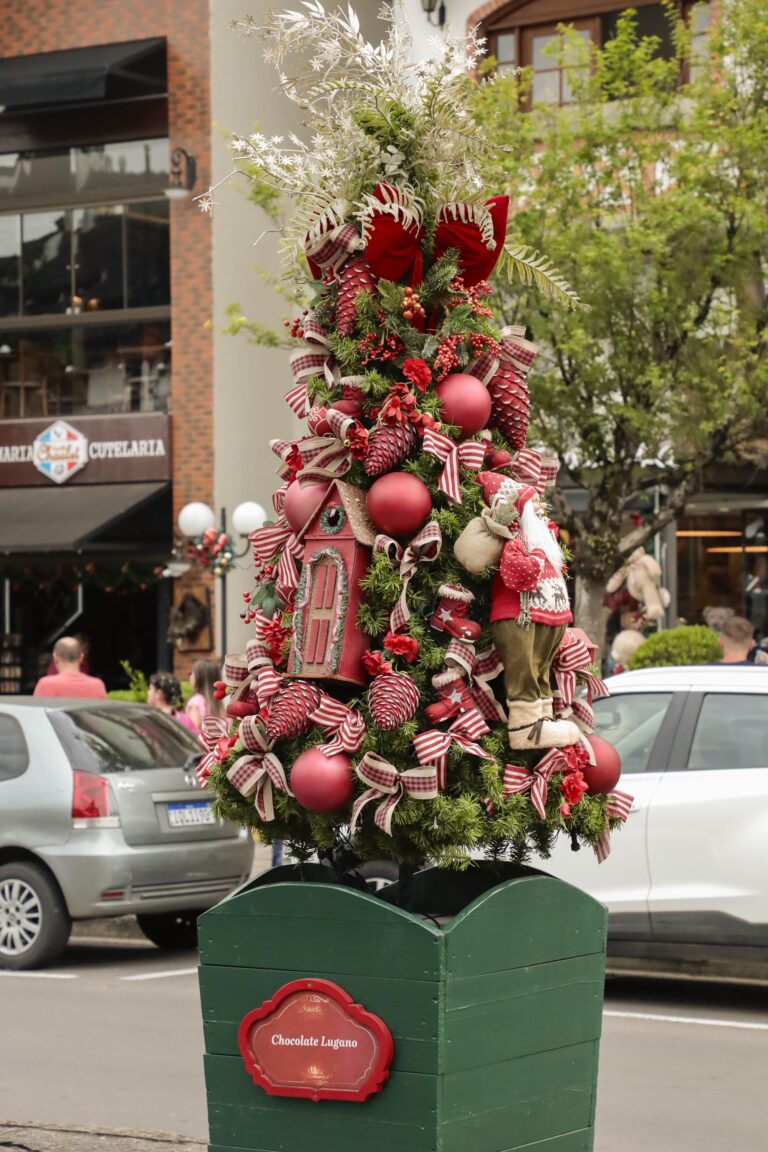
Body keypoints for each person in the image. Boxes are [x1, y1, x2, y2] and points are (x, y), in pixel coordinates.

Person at [34, 636, 107, 698]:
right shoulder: (97, 686)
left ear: (55, 658)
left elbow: (36, 713)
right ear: (81, 658)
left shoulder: (45, 684)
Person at [185, 658, 222, 733]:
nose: (190, 676)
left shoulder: (195, 701)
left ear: (199, 678)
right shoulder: (219, 703)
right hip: (218, 743)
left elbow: (193, 730)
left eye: (191, 673)